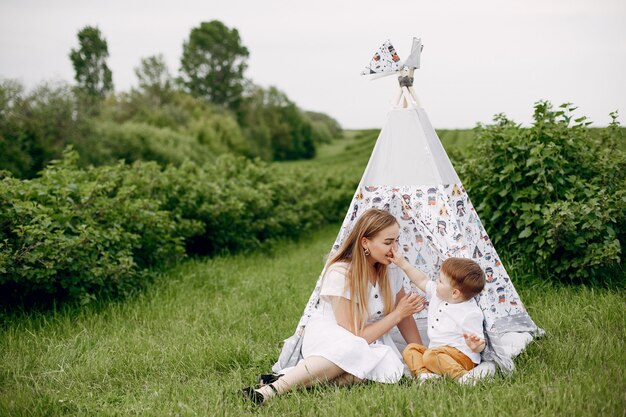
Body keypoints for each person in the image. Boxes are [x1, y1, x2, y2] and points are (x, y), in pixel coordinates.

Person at [242, 208, 425, 404]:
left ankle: (291, 378)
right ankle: (269, 391)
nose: (395, 249)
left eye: (396, 240)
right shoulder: (341, 272)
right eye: (388, 242)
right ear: (365, 242)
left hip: (368, 337)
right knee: (354, 350)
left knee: (382, 369)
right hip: (334, 334)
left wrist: (422, 355)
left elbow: (405, 316)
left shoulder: (391, 269)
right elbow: (355, 334)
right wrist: (397, 315)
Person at [387, 253, 486, 383]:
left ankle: (462, 377)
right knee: (410, 349)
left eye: (440, 281)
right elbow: (421, 280)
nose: (435, 282)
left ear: (455, 293)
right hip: (437, 353)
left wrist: (476, 346)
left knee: (430, 356)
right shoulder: (438, 294)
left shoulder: (469, 312)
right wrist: (403, 264)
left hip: (462, 358)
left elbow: (480, 343)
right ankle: (426, 376)